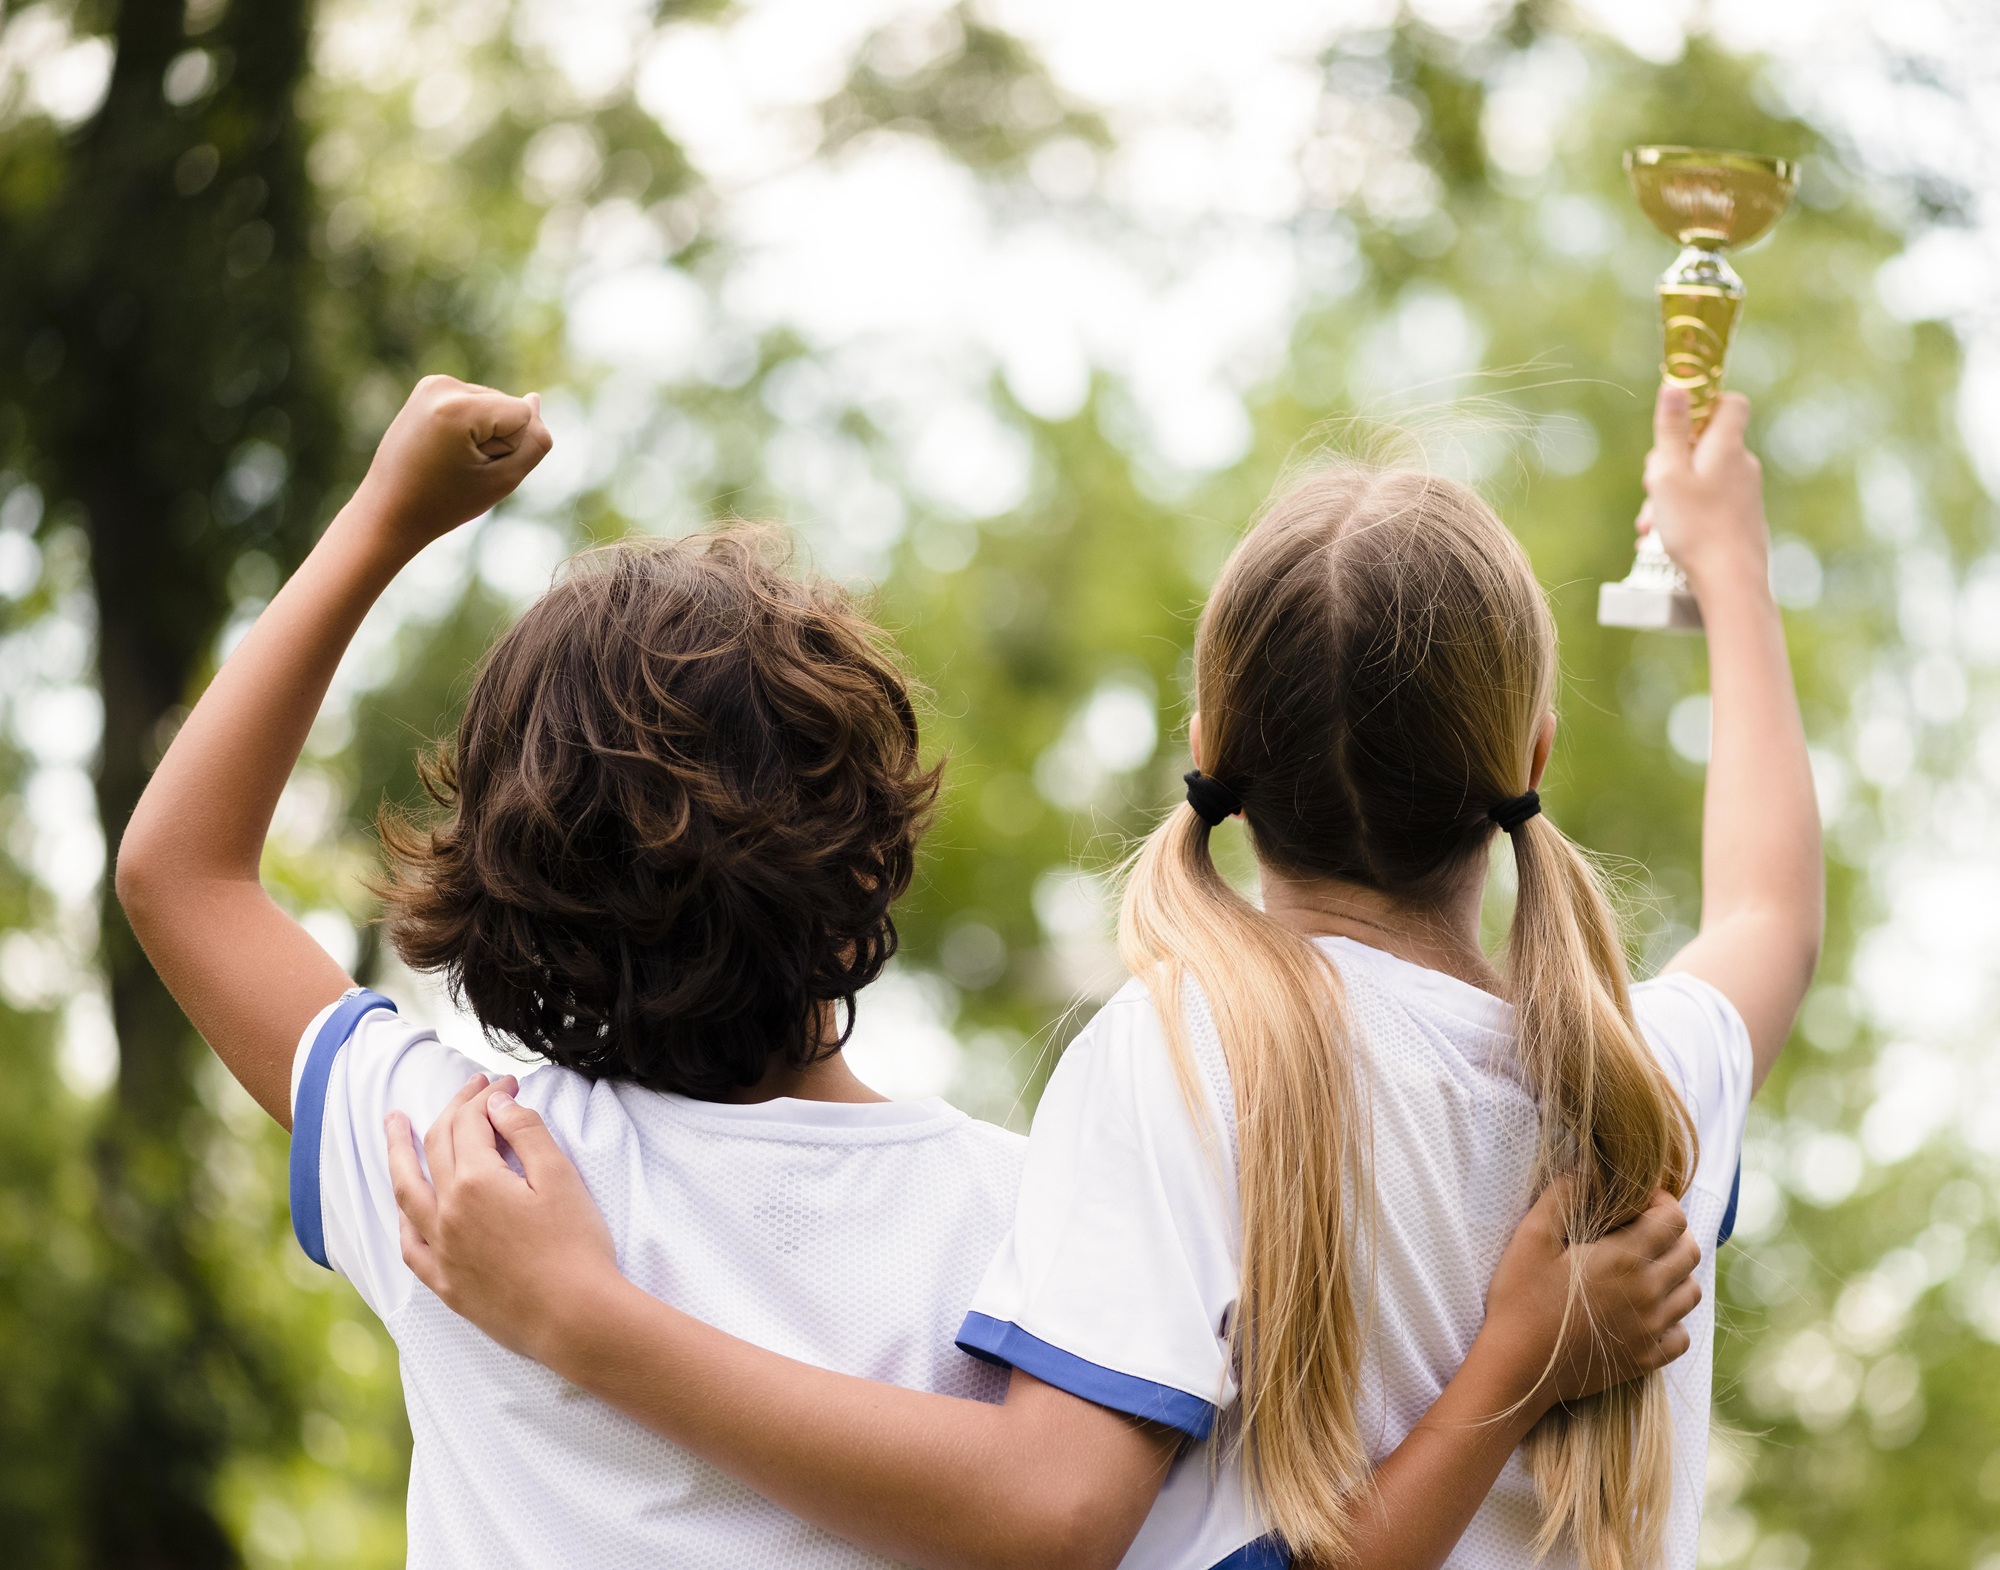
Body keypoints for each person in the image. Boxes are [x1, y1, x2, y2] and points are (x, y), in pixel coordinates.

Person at [114, 375, 1704, 1570]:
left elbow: (177, 871)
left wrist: (383, 518)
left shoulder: (463, 1183)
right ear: (876, 857)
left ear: (497, 879)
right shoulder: (1025, 1220)